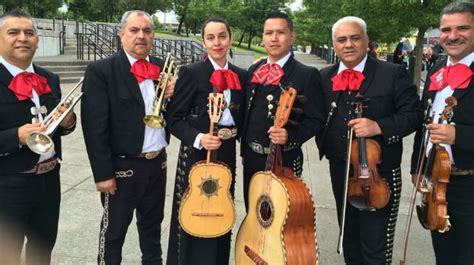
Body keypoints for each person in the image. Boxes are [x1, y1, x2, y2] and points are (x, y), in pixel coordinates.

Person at [316, 16, 422, 264]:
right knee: (349, 240)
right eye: (341, 40)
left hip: (379, 173)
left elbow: (415, 115)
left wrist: (379, 126)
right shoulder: (324, 77)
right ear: (334, 45)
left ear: (366, 40)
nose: (348, 44)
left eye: (355, 38)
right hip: (341, 170)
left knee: (375, 246)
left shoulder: (392, 73)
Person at [81, 10, 174, 265]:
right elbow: (94, 126)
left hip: (157, 163)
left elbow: (172, 116)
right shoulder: (102, 70)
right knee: (113, 234)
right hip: (123, 168)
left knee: (152, 231)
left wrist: (172, 96)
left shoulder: (160, 69)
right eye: (134, 30)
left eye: (146, 31)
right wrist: (102, 173)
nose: (141, 36)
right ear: (122, 34)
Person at [165, 17, 247, 265]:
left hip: (227, 153)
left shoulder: (242, 75)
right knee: (193, 211)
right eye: (210, 38)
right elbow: (174, 118)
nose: (217, 42)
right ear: (203, 42)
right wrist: (199, 138)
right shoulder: (191, 73)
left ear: (230, 38)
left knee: (221, 211)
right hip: (196, 154)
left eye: (222, 36)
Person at [0, 9, 76, 264]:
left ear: (37, 40)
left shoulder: (50, 78)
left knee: (42, 249)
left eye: (29, 33)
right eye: (13, 32)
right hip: (8, 184)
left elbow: (59, 127)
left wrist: (68, 121)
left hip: (48, 181)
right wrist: (15, 136)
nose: (23, 38)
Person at [410, 2, 474, 264]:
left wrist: (458, 136)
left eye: (463, 28)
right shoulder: (437, 69)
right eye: (446, 29)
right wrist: (418, 167)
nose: (452, 35)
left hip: (470, 184)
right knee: (444, 255)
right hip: (437, 181)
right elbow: (423, 124)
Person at [241, 11, 325, 209]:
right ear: (263, 37)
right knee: (253, 214)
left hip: (285, 159)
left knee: (282, 221)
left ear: (292, 36)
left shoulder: (307, 74)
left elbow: (317, 119)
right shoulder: (255, 70)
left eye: (280, 32)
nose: (274, 38)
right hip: (252, 159)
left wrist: (291, 135)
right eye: (268, 33)